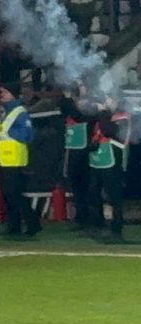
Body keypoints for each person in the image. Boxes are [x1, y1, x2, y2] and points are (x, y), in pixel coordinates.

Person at [0, 83, 41, 237]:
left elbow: (28, 135)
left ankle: (32, 224)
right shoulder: (6, 113)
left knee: (15, 194)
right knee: (10, 195)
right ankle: (15, 226)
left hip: (15, 160)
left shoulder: (19, 112)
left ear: (13, 94)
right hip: (5, 160)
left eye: (5, 92)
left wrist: (11, 132)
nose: (2, 95)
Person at [87, 96, 132, 242]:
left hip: (113, 160)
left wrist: (102, 113)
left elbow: (108, 131)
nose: (105, 103)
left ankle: (117, 227)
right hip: (97, 160)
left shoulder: (122, 116)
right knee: (94, 193)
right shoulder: (103, 116)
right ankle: (97, 224)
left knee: (113, 195)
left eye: (108, 99)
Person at [60, 83, 94, 231]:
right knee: (77, 188)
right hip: (74, 153)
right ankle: (81, 218)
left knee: (86, 188)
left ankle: (89, 218)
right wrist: (68, 98)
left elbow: (77, 116)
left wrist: (70, 98)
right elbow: (67, 110)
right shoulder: (71, 109)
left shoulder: (89, 113)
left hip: (85, 155)